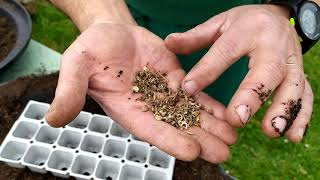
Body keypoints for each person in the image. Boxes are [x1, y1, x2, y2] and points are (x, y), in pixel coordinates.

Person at [46, 0, 318, 163]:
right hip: (117, 20)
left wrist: (288, 15)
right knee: (117, 114)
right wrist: (102, 17)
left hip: (236, 33)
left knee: (210, 121)